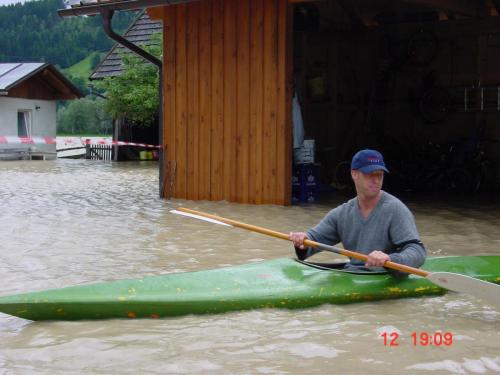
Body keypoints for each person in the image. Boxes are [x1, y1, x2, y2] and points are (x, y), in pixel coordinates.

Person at [289, 149, 426, 276]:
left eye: (380, 174)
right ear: (354, 174)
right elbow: (312, 240)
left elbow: (418, 252)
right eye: (370, 174)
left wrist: (390, 259)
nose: (376, 180)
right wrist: (302, 240)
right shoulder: (342, 214)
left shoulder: (396, 210)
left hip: (383, 275)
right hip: (354, 274)